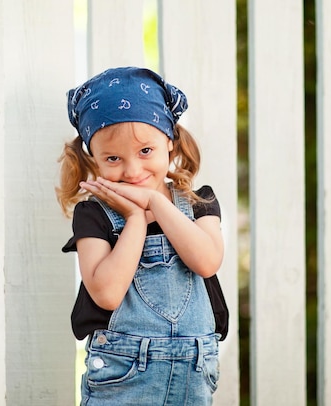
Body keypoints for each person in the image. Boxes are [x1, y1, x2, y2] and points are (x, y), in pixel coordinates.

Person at [57, 67, 224, 405]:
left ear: (170, 142)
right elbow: (107, 293)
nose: (132, 171)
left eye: (145, 151)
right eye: (113, 158)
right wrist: (134, 218)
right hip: (122, 375)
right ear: (94, 159)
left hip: (194, 372)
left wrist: (154, 203)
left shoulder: (197, 203)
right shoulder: (94, 215)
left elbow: (206, 262)